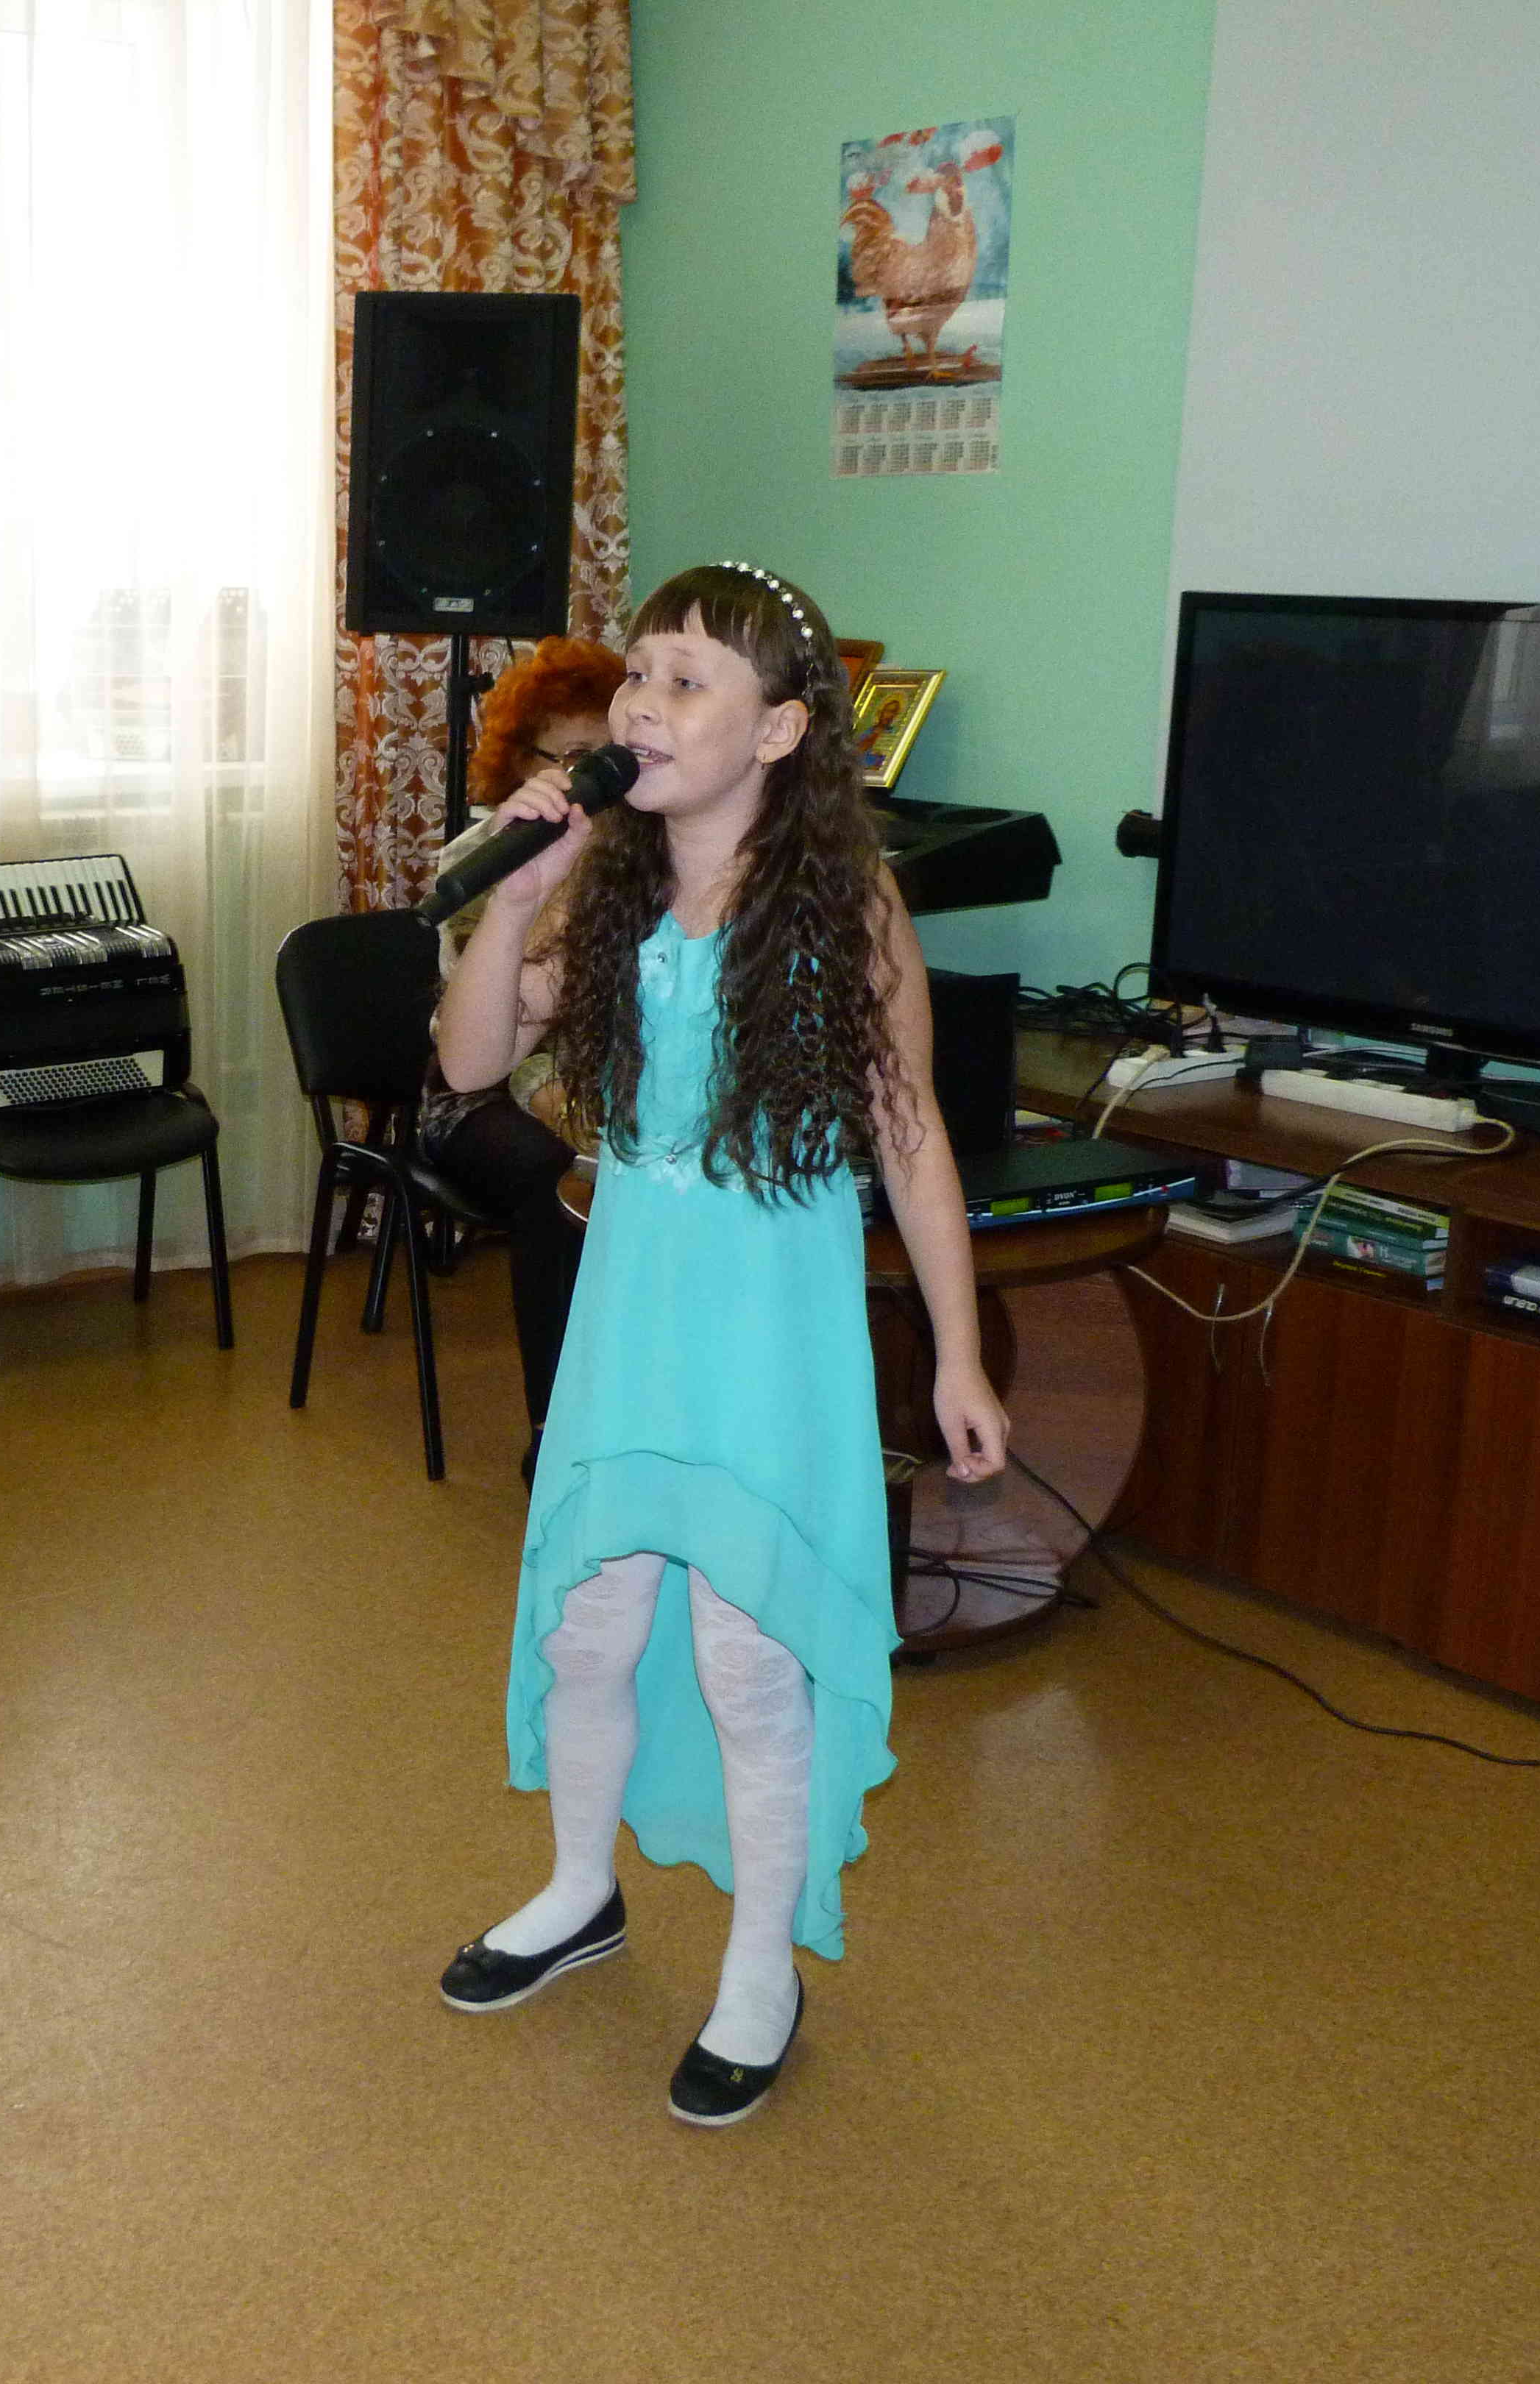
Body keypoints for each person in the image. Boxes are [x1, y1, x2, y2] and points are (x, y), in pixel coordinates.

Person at [427, 562, 1004, 2125]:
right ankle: (578, 1891)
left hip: (766, 1331)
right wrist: (515, 899)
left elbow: (912, 1138)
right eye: (642, 674)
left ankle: (761, 1966)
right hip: (634, 1317)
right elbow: (470, 1063)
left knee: (749, 1659)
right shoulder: (609, 885)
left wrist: (958, 1355)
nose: (646, 705)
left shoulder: (842, 907)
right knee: (591, 1626)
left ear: (780, 733)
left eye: (690, 682)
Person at [416, 634, 623, 1472]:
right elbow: (485, 1043)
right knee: (553, 1179)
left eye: (604, 757)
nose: (590, 776)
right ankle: (553, 1426)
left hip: (590, 1080)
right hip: (474, 1091)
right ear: (521, 762)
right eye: (570, 758)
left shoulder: (641, 851)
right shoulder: (482, 858)